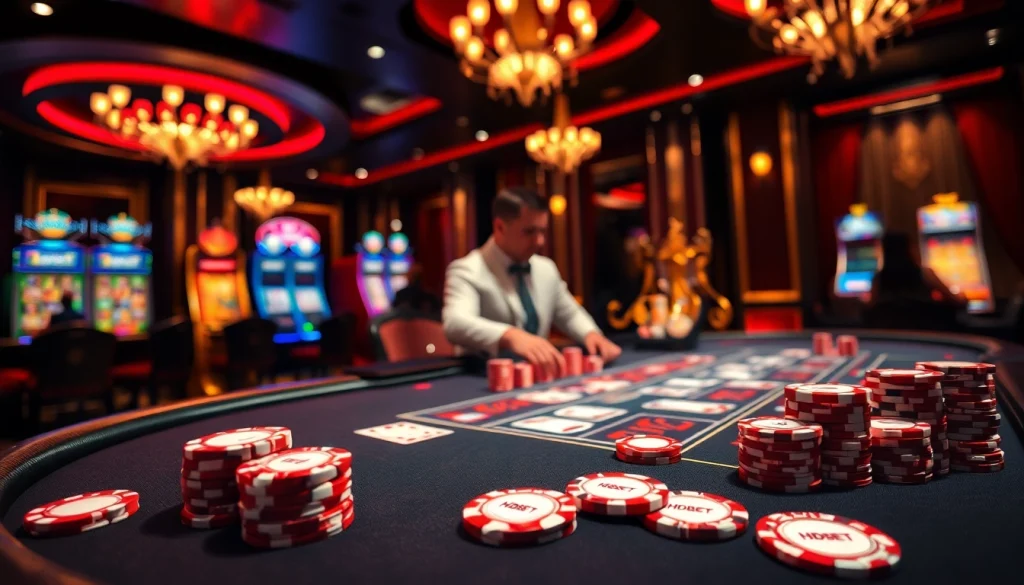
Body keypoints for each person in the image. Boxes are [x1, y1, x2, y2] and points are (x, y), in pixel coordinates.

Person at [443, 186, 622, 375]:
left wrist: (591, 334)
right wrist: (509, 336)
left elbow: (569, 314)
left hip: (537, 376)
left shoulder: (546, 268)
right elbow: (455, 323)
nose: (539, 241)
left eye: (542, 231)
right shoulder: (466, 269)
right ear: (500, 227)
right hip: (481, 378)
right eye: (529, 232)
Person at [870, 232, 967, 308]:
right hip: (927, 330)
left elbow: (870, 309)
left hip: (893, 331)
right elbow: (956, 302)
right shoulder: (924, 274)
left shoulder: (879, 279)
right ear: (909, 250)